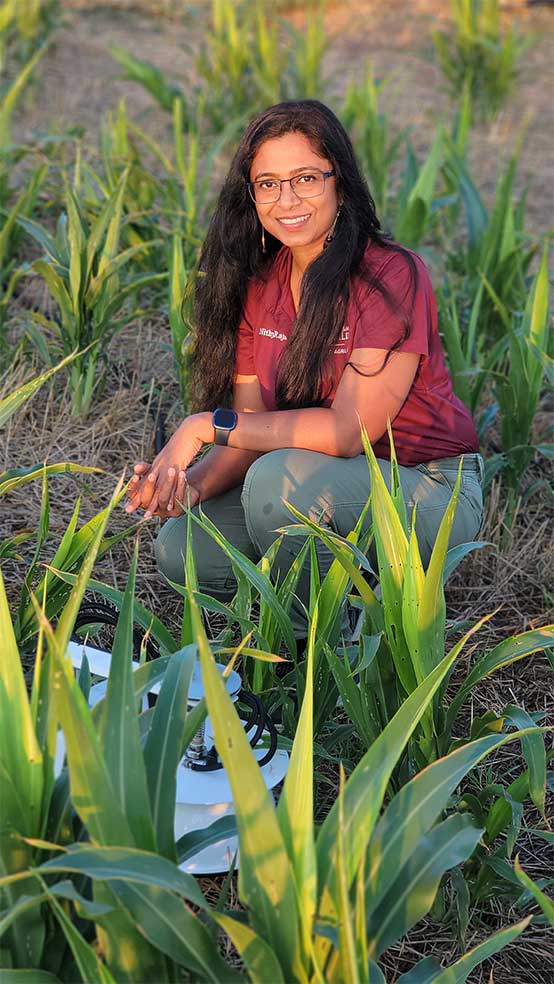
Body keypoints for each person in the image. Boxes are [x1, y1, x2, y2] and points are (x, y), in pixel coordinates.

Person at [125, 99, 484, 640]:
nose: (286, 200)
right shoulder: (260, 283)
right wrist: (189, 486)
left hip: (427, 489)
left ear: (340, 181)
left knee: (280, 483)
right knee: (183, 551)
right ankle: (337, 591)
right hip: (313, 481)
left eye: (305, 179)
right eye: (267, 183)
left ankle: (319, 655)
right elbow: (250, 430)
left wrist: (199, 425)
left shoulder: (390, 276)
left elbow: (348, 432)